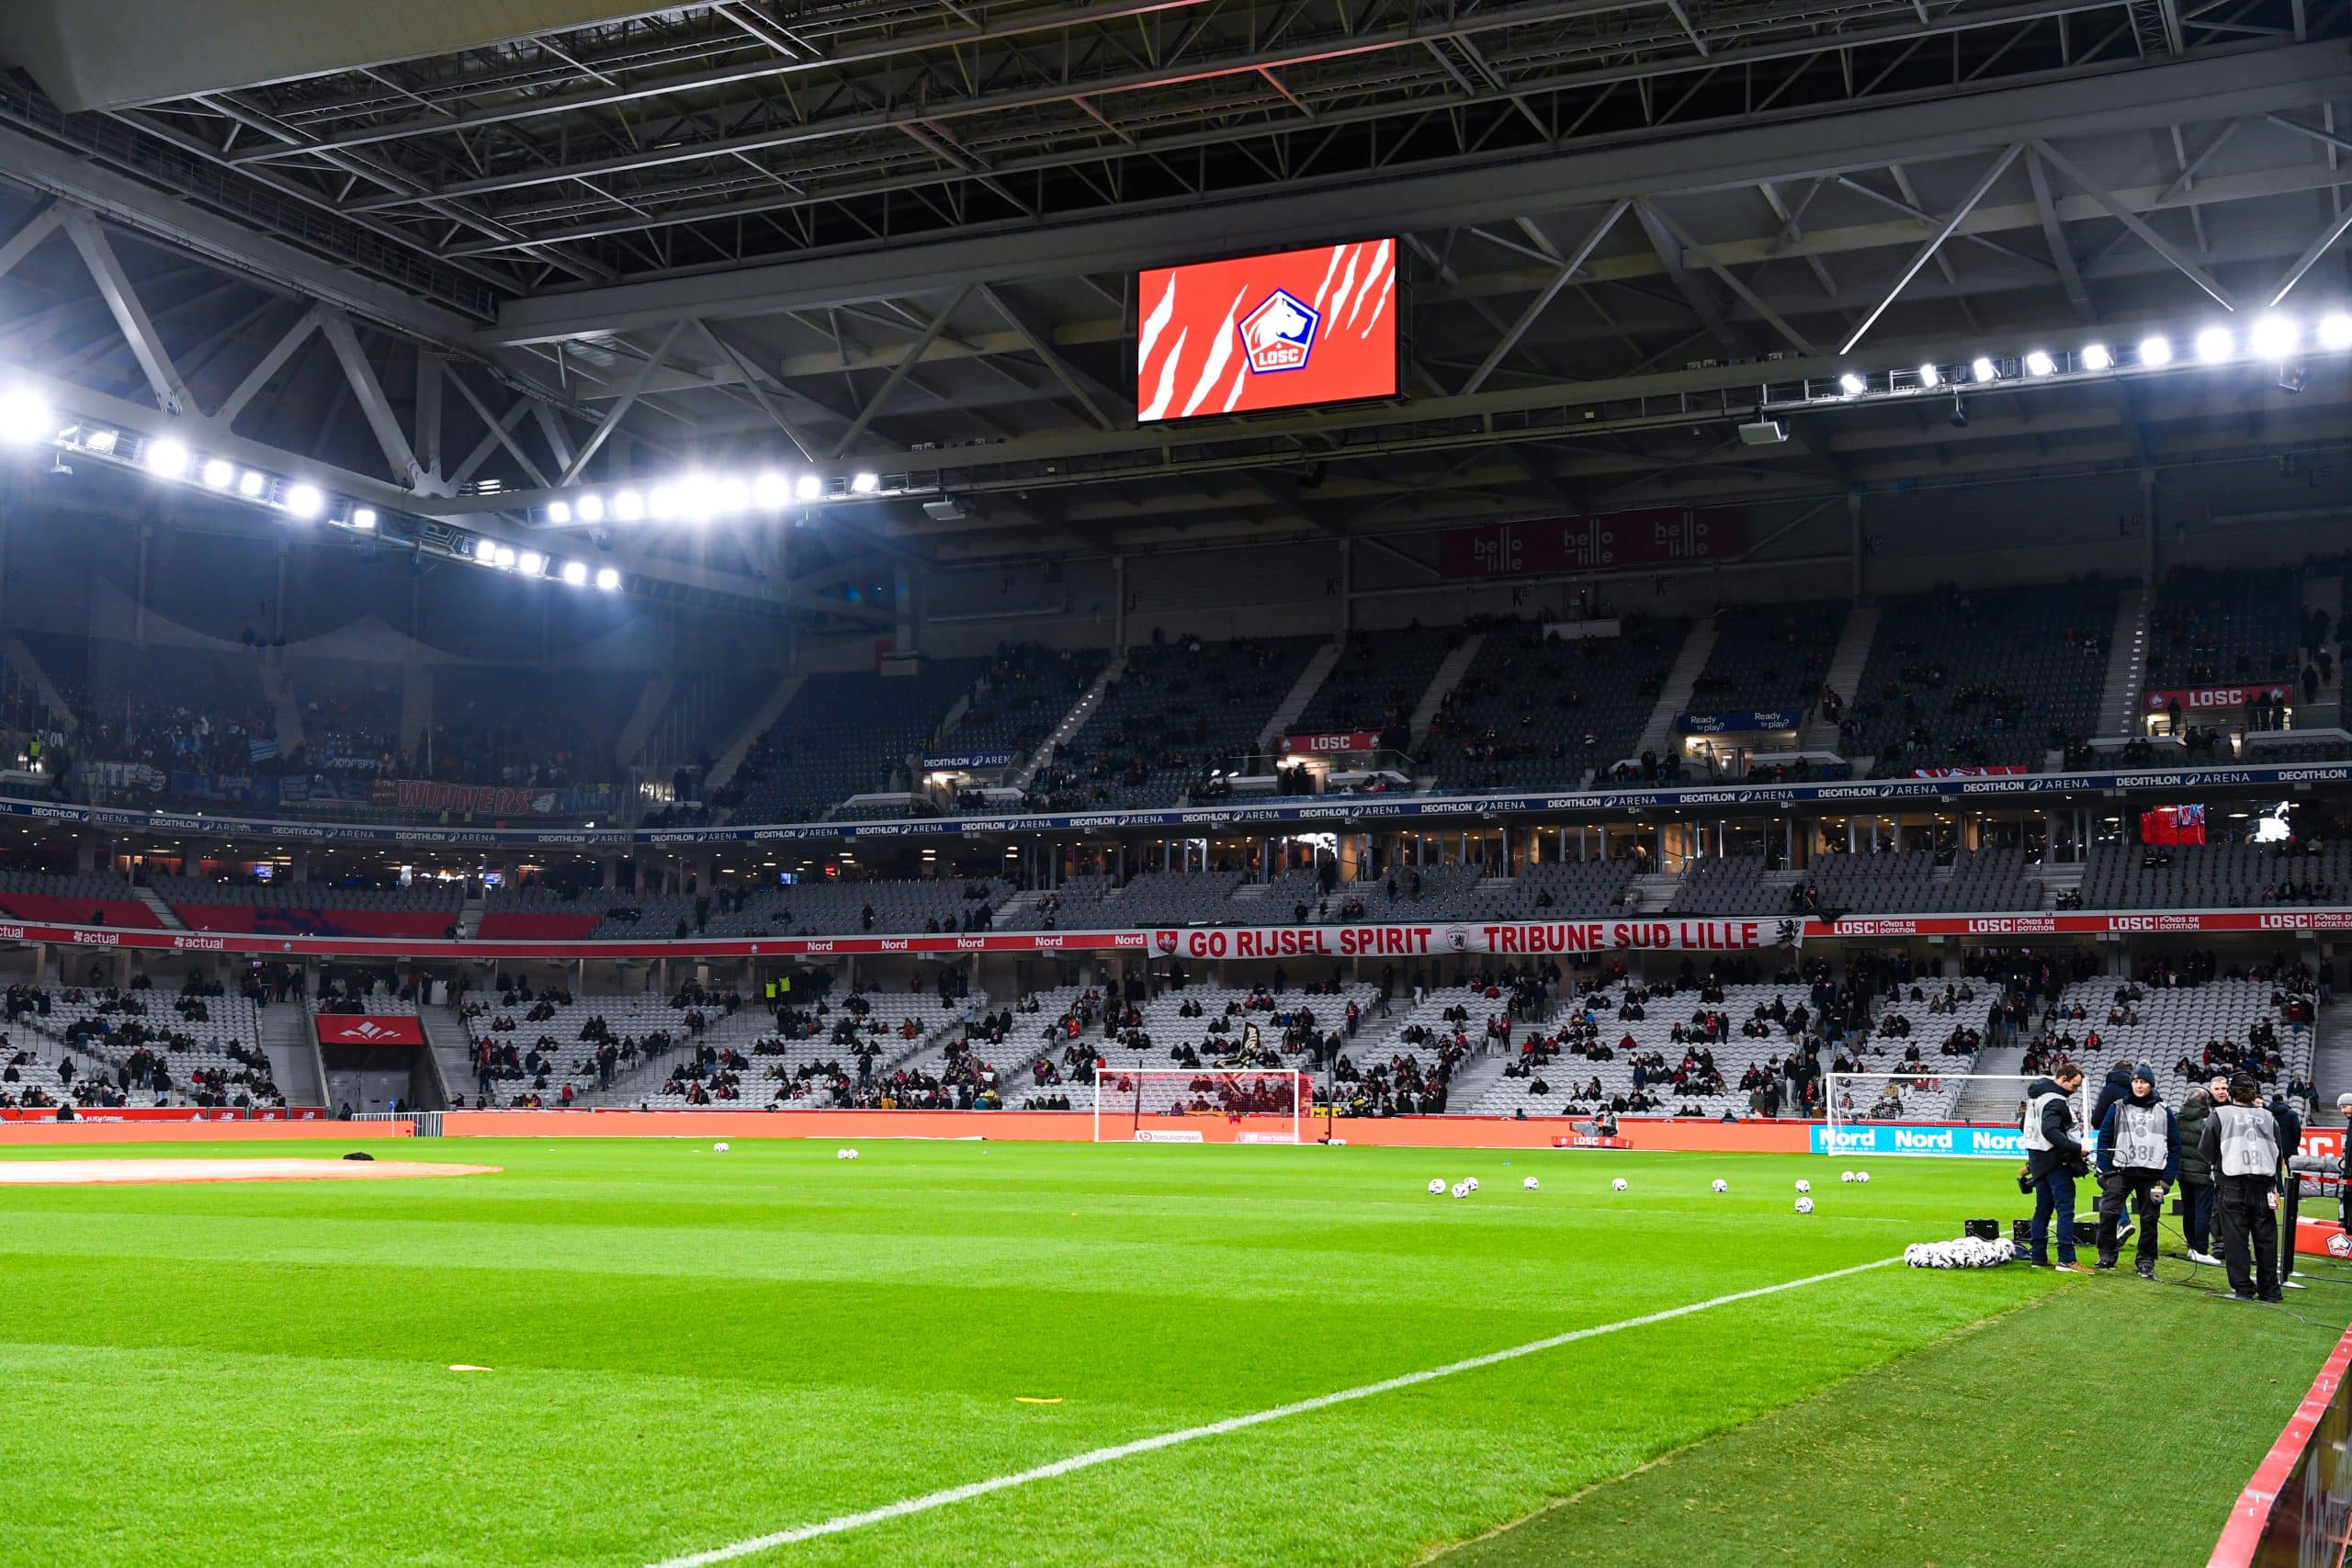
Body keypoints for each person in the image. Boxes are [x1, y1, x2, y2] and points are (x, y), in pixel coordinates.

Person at [2199, 1073, 2283, 1303]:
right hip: (2264, 1185)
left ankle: (2243, 1289)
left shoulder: (2221, 1115)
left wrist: (2220, 1164)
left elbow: (2205, 1149)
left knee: (2236, 1240)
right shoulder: (2268, 1117)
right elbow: (2279, 1153)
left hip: (2232, 1183)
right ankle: (2270, 1290)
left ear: (2231, 1092)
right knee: (2266, 1240)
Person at [2093, 1063, 2177, 1280]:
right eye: (2136, 1081)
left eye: (2144, 1082)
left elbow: (2175, 1146)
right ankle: (2107, 1255)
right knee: (2108, 1213)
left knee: (2150, 1219)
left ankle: (2146, 1260)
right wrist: (2105, 1169)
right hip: (2121, 1171)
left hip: (2152, 1174)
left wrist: (2167, 1179)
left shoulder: (2164, 1110)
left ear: (2151, 1085)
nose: (2139, 1086)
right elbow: (2104, 1137)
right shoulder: (2117, 1107)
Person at [2020, 1063, 2090, 1271]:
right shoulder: (2056, 1100)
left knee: (2042, 1211)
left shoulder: (2036, 1097)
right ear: (2062, 1079)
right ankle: (2066, 1259)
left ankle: (2038, 1257)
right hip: (2057, 1162)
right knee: (2065, 1210)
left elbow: (2022, 1125)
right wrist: (2077, 1148)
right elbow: (2049, 1130)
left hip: (2038, 1160)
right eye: (2074, 1086)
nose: (2075, 1091)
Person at [2177, 1073, 2226, 1266]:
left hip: (2183, 1173)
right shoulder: (2208, 1121)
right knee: (2203, 1212)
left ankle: (2191, 1246)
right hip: (2203, 1174)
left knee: (2188, 1211)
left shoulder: (2178, 1119)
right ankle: (2201, 1249)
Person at [2270, 1086, 2307, 1291]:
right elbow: (2297, 1130)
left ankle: (2281, 1191)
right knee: (2293, 1170)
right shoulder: (2291, 1113)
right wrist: (2295, 1144)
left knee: (2275, 1170)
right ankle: (2293, 1192)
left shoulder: (2268, 1112)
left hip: (2273, 1144)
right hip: (2290, 1144)